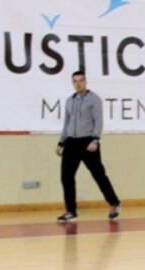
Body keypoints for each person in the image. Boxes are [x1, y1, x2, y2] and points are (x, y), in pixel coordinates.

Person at [56, 71, 121, 224]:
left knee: (99, 175)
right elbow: (67, 123)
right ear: (72, 83)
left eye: (81, 80)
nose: (78, 84)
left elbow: (98, 121)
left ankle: (114, 203)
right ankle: (71, 211)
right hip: (71, 142)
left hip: (88, 142)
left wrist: (95, 140)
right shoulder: (70, 101)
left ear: (85, 82)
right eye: (75, 81)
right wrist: (61, 141)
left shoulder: (94, 99)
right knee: (66, 177)